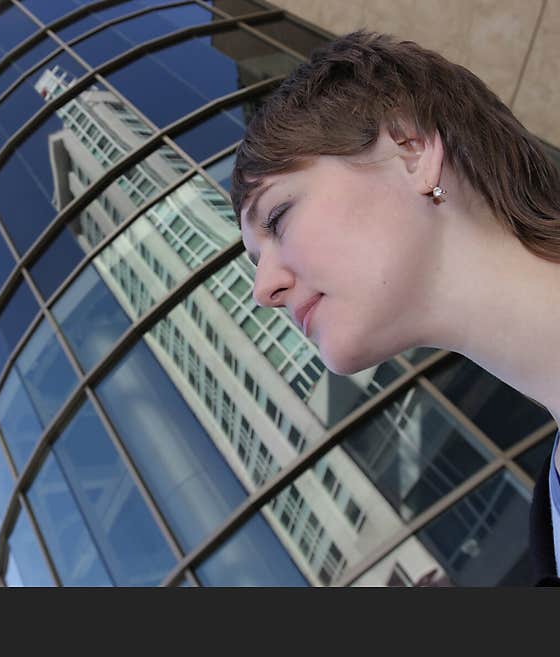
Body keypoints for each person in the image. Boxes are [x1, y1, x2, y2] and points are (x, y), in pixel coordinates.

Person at [230, 31, 560, 586]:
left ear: (411, 149)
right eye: (257, 260)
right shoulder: (547, 523)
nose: (263, 289)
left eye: (279, 218)